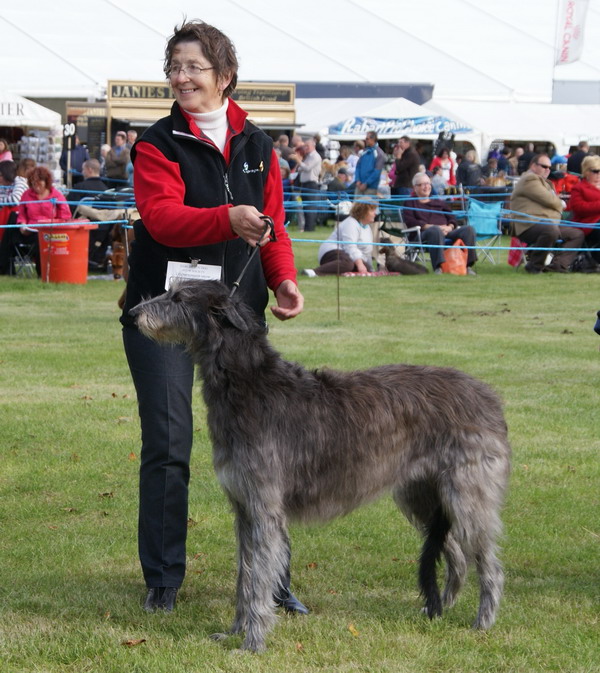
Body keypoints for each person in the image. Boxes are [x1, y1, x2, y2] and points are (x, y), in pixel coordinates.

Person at [120, 20, 305, 615]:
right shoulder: (156, 143)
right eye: (174, 66)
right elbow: (163, 220)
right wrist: (226, 218)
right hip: (164, 315)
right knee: (170, 443)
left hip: (236, 321)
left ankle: (273, 582)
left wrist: (284, 279)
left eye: (194, 67)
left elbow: (272, 223)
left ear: (225, 75)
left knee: (263, 452)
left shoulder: (258, 143)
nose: (181, 77)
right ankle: (164, 580)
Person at [509, 154, 584, 273]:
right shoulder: (529, 179)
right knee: (550, 230)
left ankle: (559, 265)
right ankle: (535, 265)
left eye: (550, 167)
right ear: (533, 166)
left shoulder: (546, 182)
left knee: (577, 234)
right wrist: (562, 204)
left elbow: (550, 202)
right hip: (528, 225)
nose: (548, 169)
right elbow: (549, 199)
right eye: (544, 166)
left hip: (548, 223)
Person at [402, 172, 477, 274]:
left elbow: (452, 217)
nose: (426, 187)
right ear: (415, 188)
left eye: (428, 183)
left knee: (469, 229)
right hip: (423, 234)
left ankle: (467, 266)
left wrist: (449, 227)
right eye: (422, 184)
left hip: (447, 231)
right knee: (435, 230)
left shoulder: (438, 202)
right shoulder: (410, 203)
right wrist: (432, 227)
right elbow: (410, 221)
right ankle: (439, 267)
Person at [301, 200, 376, 276]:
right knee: (348, 264)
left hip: (347, 254)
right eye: (372, 211)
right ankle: (313, 272)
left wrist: (370, 269)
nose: (375, 214)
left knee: (365, 267)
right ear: (363, 212)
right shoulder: (351, 223)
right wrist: (360, 264)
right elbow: (350, 247)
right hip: (331, 251)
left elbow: (367, 252)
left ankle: (339, 270)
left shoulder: (367, 228)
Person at [567, 154, 600, 266]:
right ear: (586, 171)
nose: (599, 174)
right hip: (587, 224)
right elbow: (579, 208)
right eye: (595, 171)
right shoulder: (579, 188)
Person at [296, 137, 322, 232]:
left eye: (307, 146)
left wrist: (298, 160)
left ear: (313, 146)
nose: (305, 148)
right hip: (305, 184)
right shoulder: (308, 156)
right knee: (305, 206)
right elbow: (300, 169)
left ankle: (310, 228)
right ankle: (306, 227)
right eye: (305, 146)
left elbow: (306, 168)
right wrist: (300, 163)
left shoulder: (315, 156)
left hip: (311, 184)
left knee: (310, 207)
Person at [355, 131, 385, 196]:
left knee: (368, 206)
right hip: (359, 186)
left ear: (373, 139)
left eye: (367, 139)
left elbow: (377, 171)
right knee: (356, 205)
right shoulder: (364, 152)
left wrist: (366, 183)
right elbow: (358, 166)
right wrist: (357, 180)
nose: (365, 140)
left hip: (370, 188)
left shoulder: (379, 153)